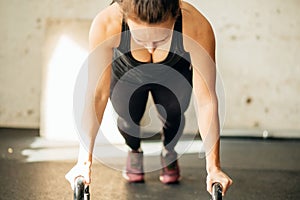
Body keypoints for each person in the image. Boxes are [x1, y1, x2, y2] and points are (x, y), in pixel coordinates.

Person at [66, 0, 233, 196]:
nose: (151, 48)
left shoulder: (195, 25)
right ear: (126, 19)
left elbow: (206, 100)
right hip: (127, 75)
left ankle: (169, 152)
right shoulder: (107, 23)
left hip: (173, 73)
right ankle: (134, 150)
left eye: (161, 40)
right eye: (142, 40)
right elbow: (97, 95)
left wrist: (214, 167)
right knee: (128, 118)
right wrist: (83, 161)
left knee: (174, 115)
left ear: (176, 17)